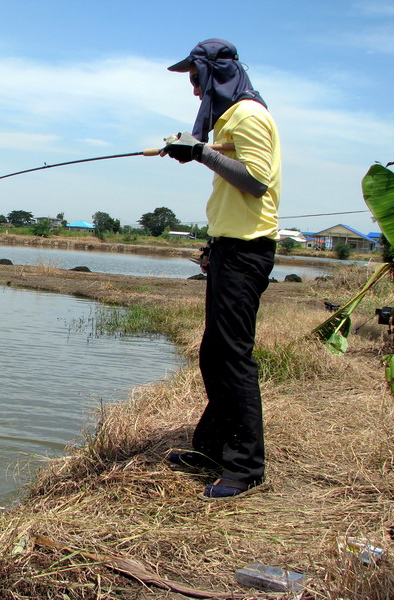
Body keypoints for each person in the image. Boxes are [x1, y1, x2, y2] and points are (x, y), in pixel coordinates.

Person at [162, 38, 281, 500]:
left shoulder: (250, 114)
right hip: (230, 247)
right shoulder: (232, 117)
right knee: (215, 353)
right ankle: (213, 449)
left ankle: (245, 468)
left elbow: (256, 181)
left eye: (195, 79)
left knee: (233, 357)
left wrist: (201, 153)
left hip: (249, 249)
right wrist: (214, 244)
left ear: (215, 74)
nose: (193, 91)